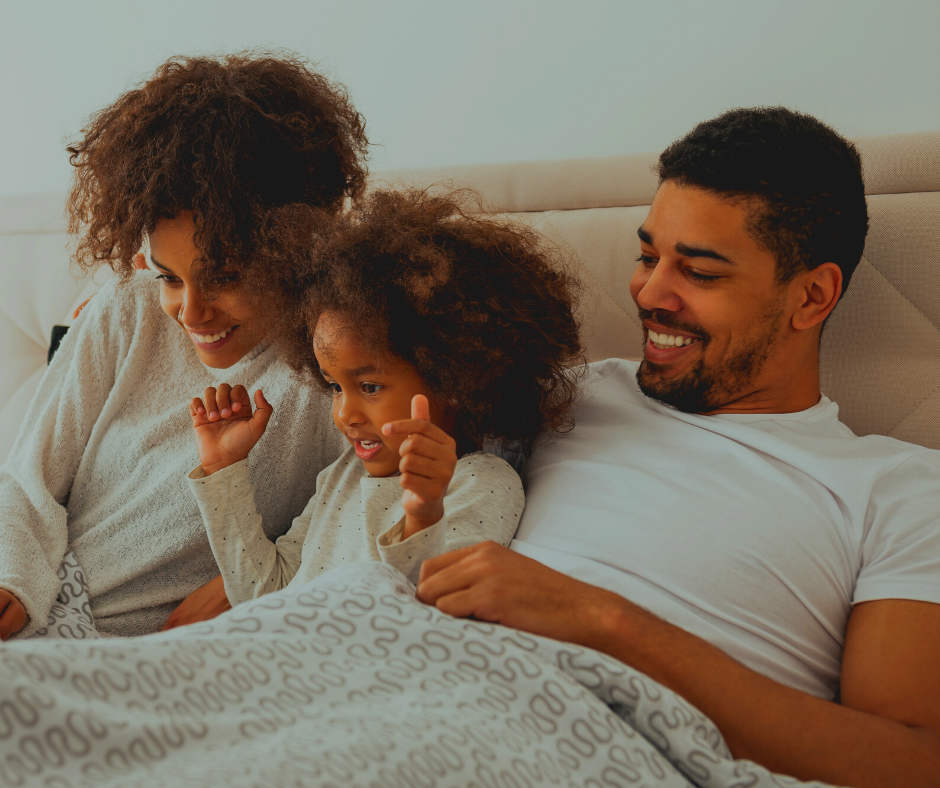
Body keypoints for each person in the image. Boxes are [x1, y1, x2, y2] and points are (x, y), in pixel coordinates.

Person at [414, 108, 940, 788]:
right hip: (423, 676)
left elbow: (913, 763)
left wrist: (601, 619)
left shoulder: (901, 490)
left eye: (700, 272)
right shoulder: (566, 394)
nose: (649, 291)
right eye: (648, 256)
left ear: (812, 296)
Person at [0, 52, 368, 640]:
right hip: (34, 606)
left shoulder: (346, 354)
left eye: (224, 277)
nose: (190, 313)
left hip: (143, 653)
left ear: (294, 247)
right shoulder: (127, 306)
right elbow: (27, 478)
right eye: (169, 277)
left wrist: (267, 579)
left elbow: (384, 500)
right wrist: (12, 581)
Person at [184, 188, 582, 597]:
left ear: (455, 380)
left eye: (370, 387)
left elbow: (427, 610)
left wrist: (423, 517)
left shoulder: (481, 481)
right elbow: (266, 593)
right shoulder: (344, 474)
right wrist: (222, 470)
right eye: (335, 387)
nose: (344, 415)